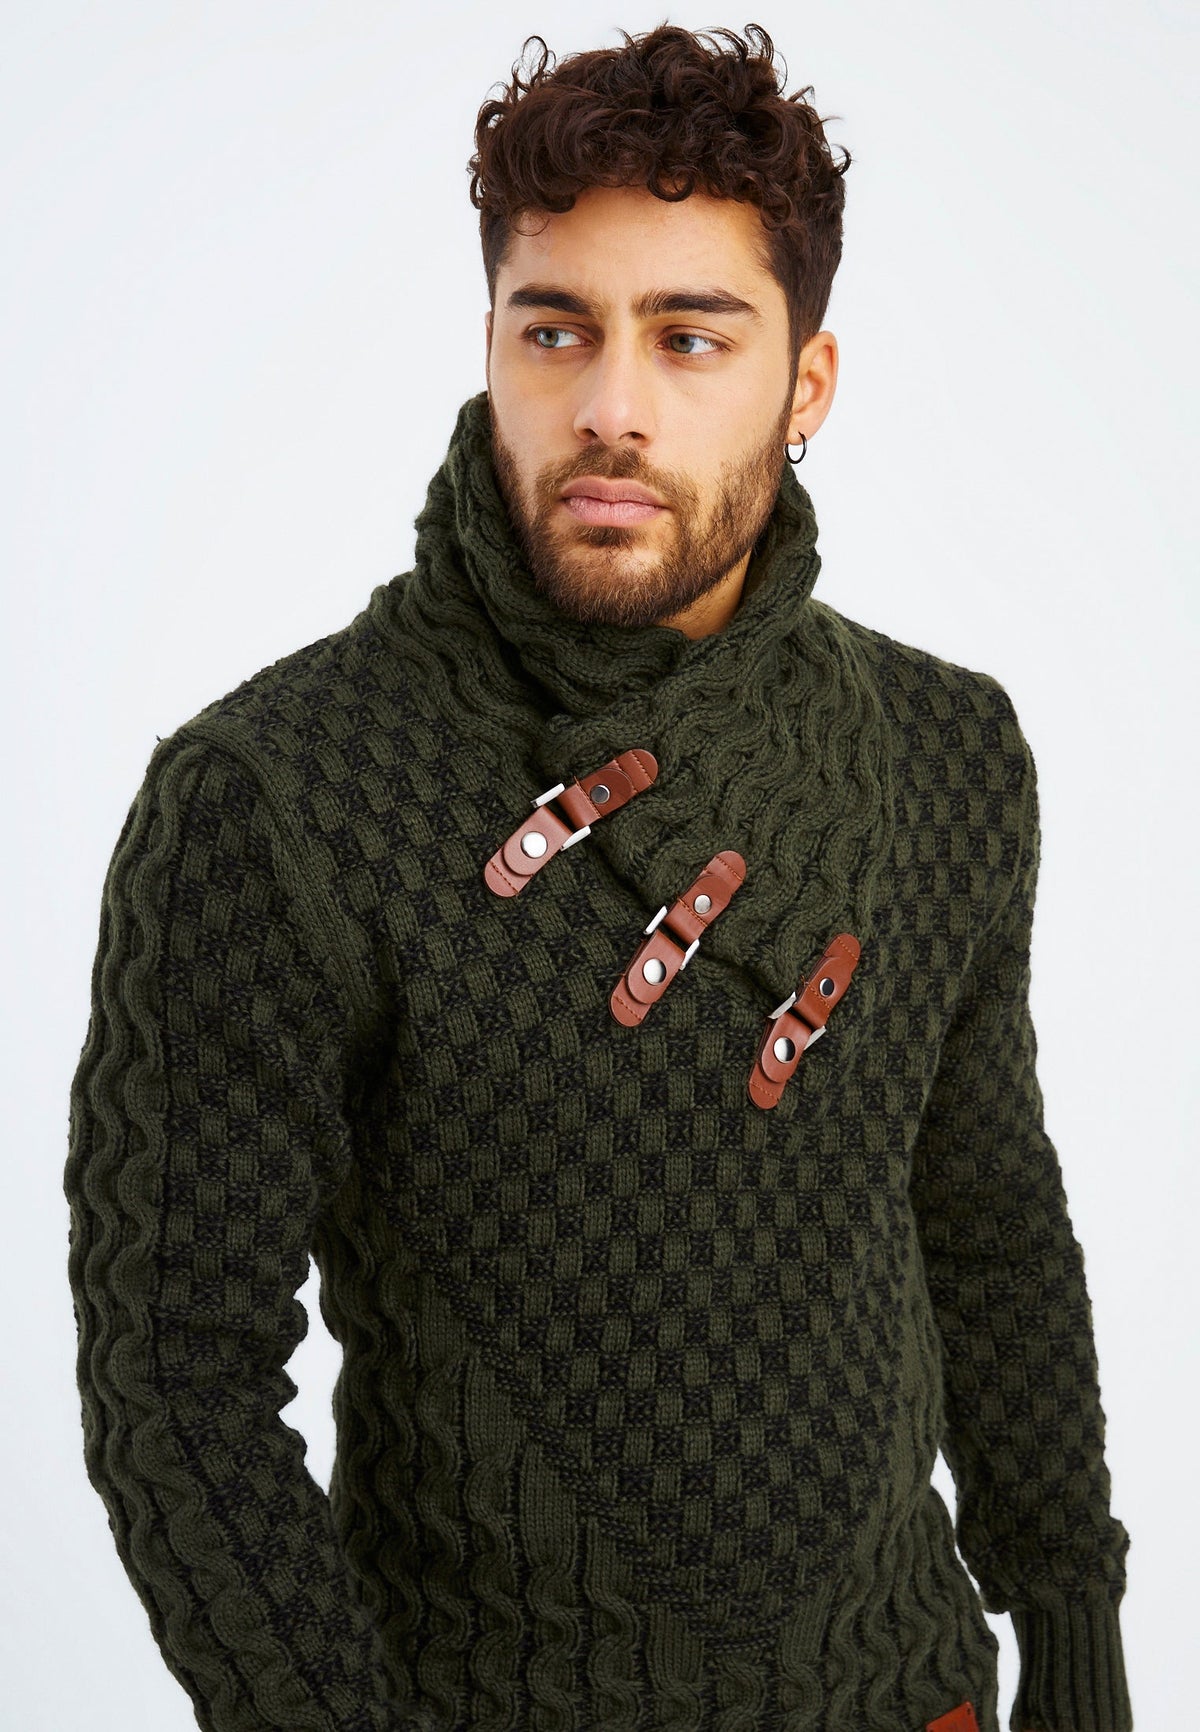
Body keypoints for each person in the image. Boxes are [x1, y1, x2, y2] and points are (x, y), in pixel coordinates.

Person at [63, 23, 1131, 1732]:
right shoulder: (276, 797)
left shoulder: (949, 753)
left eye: (690, 338)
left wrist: (1074, 1642)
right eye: (554, 329)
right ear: (492, 344)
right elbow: (175, 1377)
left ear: (806, 387)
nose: (610, 407)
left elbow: (988, 1229)